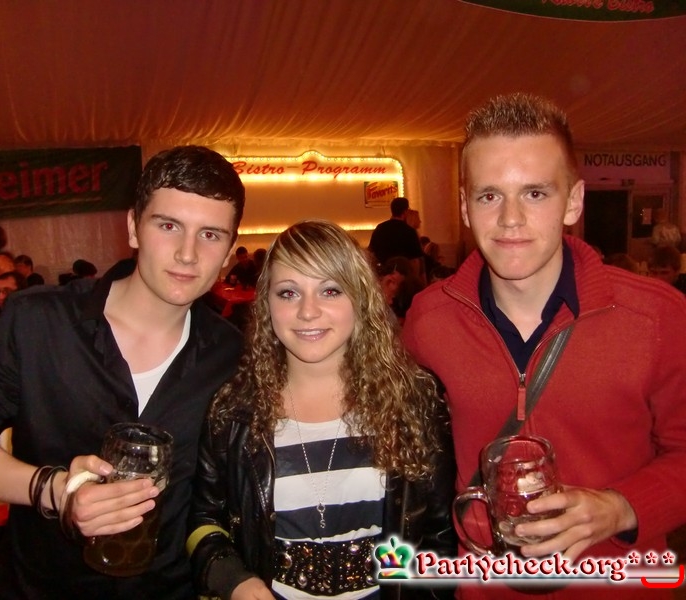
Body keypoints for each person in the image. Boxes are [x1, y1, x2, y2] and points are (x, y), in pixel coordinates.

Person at [0, 145, 247, 599]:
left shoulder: (232, 354)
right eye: (168, 225)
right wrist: (59, 489)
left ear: (230, 250)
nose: (187, 254)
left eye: (210, 235)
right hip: (42, 588)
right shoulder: (38, 322)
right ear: (133, 226)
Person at [402, 93, 686, 599]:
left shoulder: (656, 317)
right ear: (465, 206)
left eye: (534, 193)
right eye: (489, 196)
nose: (510, 218)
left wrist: (621, 507)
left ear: (573, 201)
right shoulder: (429, 321)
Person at [188, 220, 455, 600]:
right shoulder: (233, 411)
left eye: (330, 290)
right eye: (288, 293)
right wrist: (235, 580)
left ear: (360, 298)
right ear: (266, 305)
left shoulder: (414, 399)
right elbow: (204, 521)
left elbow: (438, 536)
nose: (308, 311)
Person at [367, 197, 425, 272]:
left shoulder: (380, 228)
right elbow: (415, 259)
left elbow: (371, 251)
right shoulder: (409, 231)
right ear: (405, 211)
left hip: (384, 271)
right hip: (403, 272)